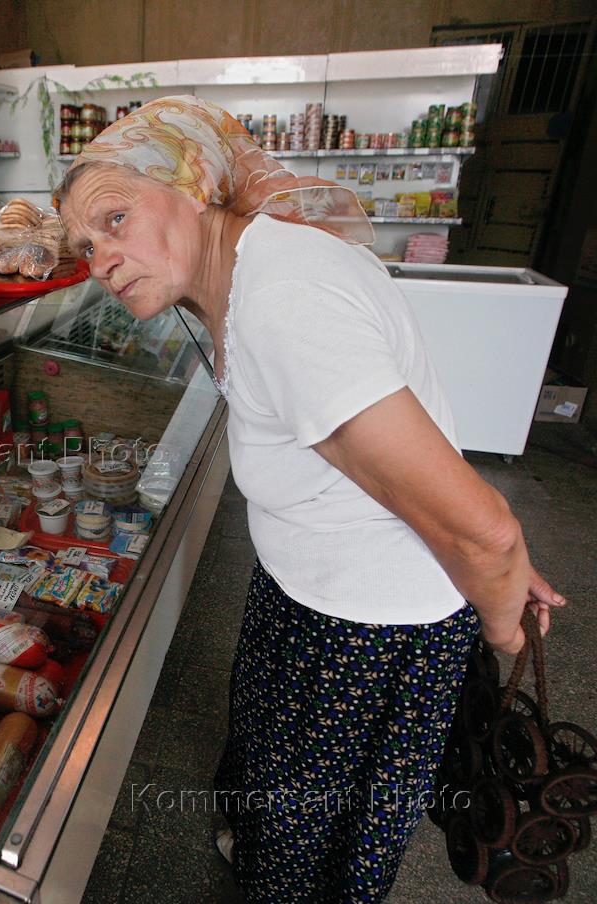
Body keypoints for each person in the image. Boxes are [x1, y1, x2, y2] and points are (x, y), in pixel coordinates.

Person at [55, 96, 567, 903]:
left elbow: (486, 533)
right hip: (308, 596)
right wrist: (484, 566)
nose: (100, 260)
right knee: (278, 791)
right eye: (86, 245)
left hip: (363, 637)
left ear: (194, 184)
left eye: (115, 219)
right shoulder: (253, 266)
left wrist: (497, 614)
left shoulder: (285, 303)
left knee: (315, 838)